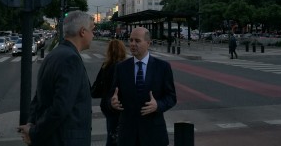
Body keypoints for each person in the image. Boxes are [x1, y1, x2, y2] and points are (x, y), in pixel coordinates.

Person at [18, 11, 95, 146]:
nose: (93, 35)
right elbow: (60, 108)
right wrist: (34, 133)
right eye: (92, 30)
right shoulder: (70, 59)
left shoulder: (54, 54)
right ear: (83, 32)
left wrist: (31, 124)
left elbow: (39, 97)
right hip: (65, 140)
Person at [110, 27, 177, 146]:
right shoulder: (121, 68)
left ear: (148, 43)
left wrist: (158, 105)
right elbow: (112, 95)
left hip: (154, 134)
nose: (132, 44)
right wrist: (112, 102)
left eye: (137, 41)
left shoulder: (162, 67)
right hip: (128, 135)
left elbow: (171, 97)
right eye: (130, 40)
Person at [93, 39, 127, 146]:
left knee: (111, 134)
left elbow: (97, 86)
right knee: (117, 137)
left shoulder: (106, 66)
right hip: (119, 106)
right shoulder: (124, 66)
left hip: (106, 105)